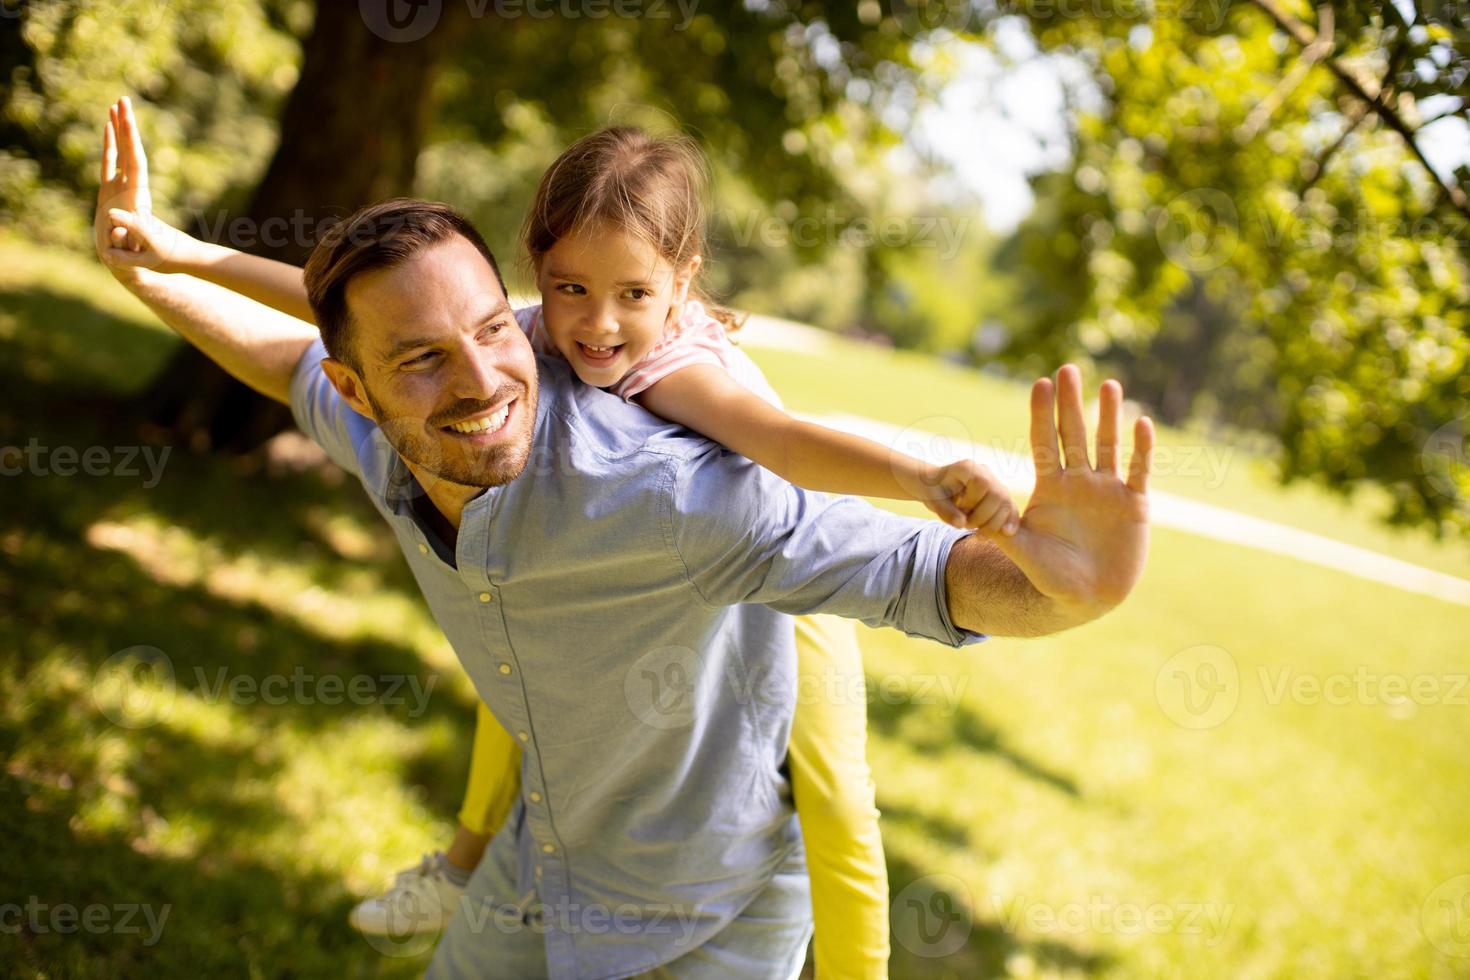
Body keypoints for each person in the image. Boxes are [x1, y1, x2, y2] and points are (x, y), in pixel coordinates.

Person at [95, 97, 1154, 978]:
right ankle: (465, 856)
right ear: (361, 390)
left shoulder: (672, 486)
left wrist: (1065, 589)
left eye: (488, 332)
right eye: (422, 358)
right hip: (543, 861)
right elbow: (292, 346)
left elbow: (918, 567)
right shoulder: (386, 432)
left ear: (678, 283)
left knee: (837, 792)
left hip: (707, 910)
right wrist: (161, 268)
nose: (477, 378)